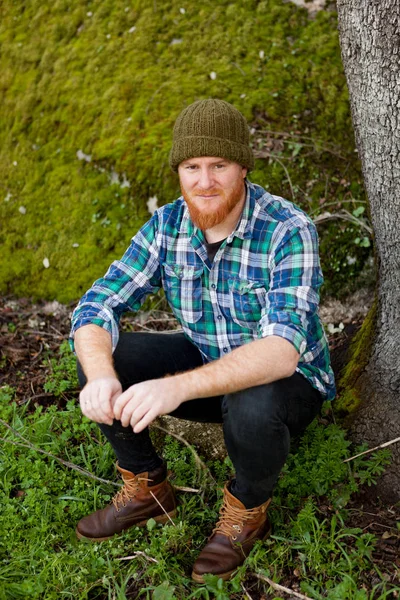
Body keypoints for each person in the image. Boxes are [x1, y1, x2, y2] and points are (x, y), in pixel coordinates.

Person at [69, 98, 335, 582]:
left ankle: (247, 511)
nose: (205, 181)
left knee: (252, 404)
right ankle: (146, 486)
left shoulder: (287, 229)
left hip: (286, 382)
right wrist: (102, 375)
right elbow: (95, 306)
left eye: (219, 165)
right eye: (192, 166)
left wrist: (175, 388)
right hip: (210, 360)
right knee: (107, 353)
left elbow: (281, 350)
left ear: (243, 168)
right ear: (179, 170)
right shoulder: (167, 226)